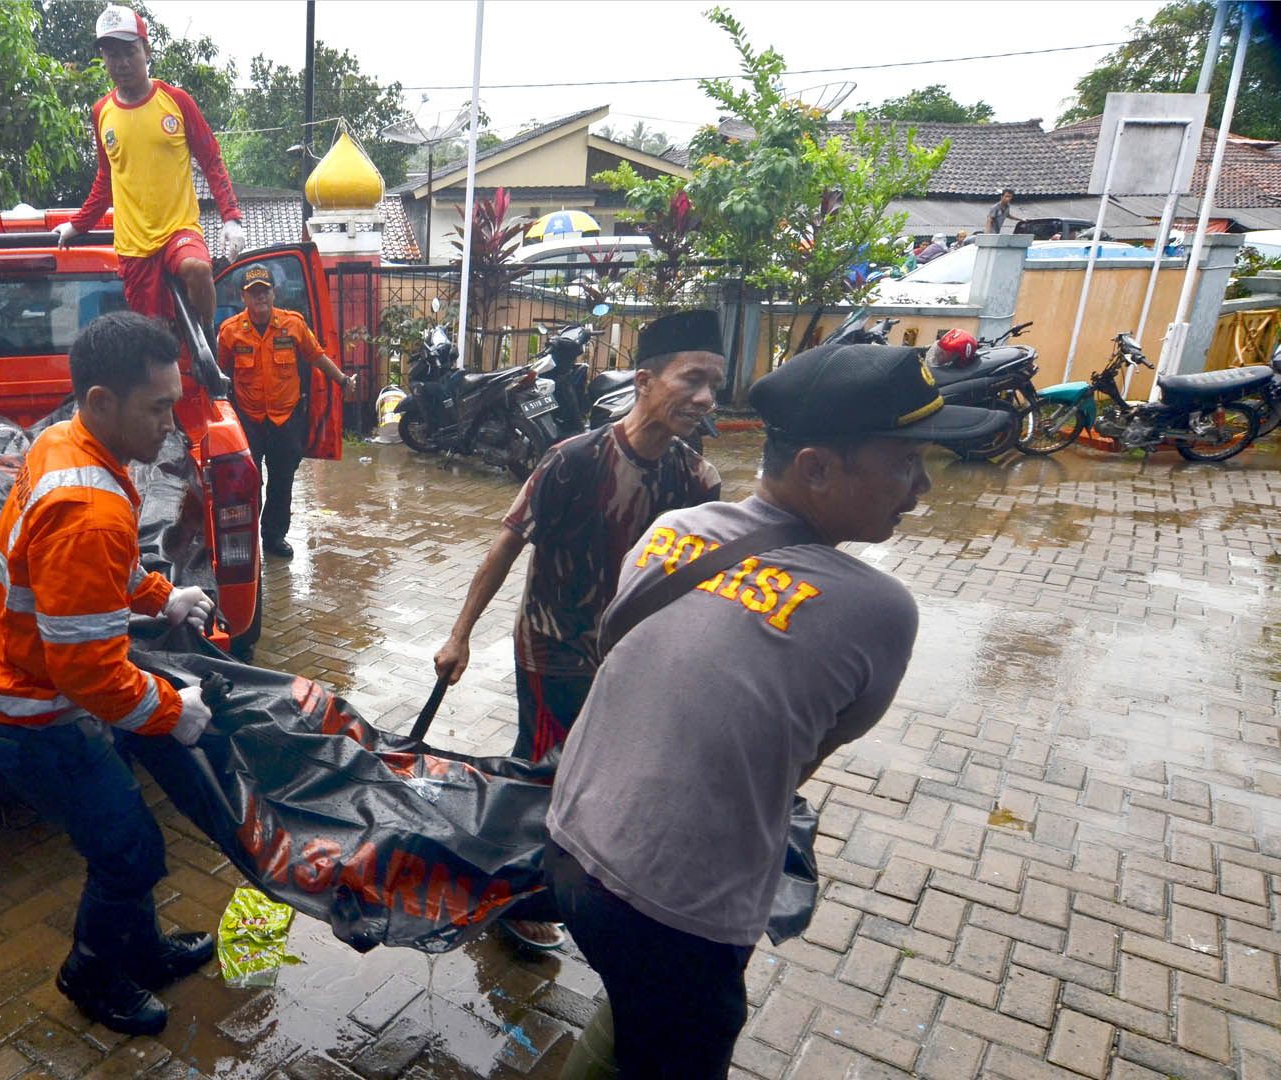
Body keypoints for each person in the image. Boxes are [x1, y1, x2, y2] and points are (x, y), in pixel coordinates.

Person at [546, 343, 1007, 1078]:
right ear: (817, 469)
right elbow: (804, 758)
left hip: (570, 849)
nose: (921, 488)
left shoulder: (674, 531)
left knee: (637, 1007)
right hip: (679, 911)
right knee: (677, 1043)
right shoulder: (879, 609)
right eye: (905, 462)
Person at [432, 309, 726, 950]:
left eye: (715, 384)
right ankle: (518, 897)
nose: (705, 398)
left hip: (630, 659)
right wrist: (460, 635)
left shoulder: (697, 482)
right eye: (692, 379)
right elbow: (508, 543)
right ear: (646, 380)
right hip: (551, 649)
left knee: (606, 774)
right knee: (544, 772)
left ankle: (579, 872)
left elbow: (703, 582)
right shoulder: (573, 460)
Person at [0, 311, 221, 1037]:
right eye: (158, 406)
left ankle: (136, 947)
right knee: (128, 849)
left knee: (127, 836)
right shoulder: (87, 508)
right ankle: (93, 974)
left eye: (175, 401)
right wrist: (176, 711)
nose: (172, 423)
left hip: (24, 683)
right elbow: (87, 672)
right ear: (101, 403)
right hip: (36, 713)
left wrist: (160, 595)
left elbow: (102, 575)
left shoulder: (64, 443)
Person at [55, 5, 244, 332]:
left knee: (198, 268)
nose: (122, 63)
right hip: (134, 248)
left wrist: (231, 218)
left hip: (178, 230)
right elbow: (106, 179)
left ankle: (207, 341)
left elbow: (211, 158)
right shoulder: (102, 113)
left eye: (129, 51)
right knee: (157, 340)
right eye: (112, 54)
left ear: (147, 50)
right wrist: (77, 225)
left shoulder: (176, 101)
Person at [216, 265, 356, 557]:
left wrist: (342, 380)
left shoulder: (292, 324)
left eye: (265, 291)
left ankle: (274, 537)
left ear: (273, 293)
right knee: (248, 482)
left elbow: (317, 356)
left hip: (286, 418)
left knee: (282, 483)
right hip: (249, 421)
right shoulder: (229, 332)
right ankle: (248, 538)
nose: (260, 298)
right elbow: (221, 373)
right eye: (254, 293)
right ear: (244, 296)